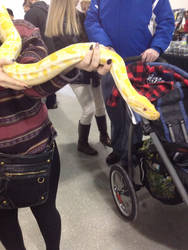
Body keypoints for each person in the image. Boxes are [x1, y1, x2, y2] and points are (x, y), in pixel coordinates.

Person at [0, 18, 111, 250]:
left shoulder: (22, 30)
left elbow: (33, 86)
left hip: (35, 149)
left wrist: (72, 63)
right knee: (4, 221)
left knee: (46, 210)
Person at [85, 0, 175, 165]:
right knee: (114, 110)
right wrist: (105, 45)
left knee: (135, 114)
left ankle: (132, 153)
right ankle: (118, 149)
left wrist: (156, 47)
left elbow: (167, 21)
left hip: (139, 64)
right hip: (110, 65)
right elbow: (92, 21)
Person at [45, 0, 111, 156]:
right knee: (89, 109)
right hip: (76, 74)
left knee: (100, 105)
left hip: (92, 71)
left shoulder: (79, 17)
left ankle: (104, 135)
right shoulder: (59, 23)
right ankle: (82, 143)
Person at [24, 0, 58, 109]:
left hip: (40, 54)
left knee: (39, 86)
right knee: (51, 81)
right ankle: (52, 103)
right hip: (54, 51)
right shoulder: (50, 11)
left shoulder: (31, 13)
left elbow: (29, 37)